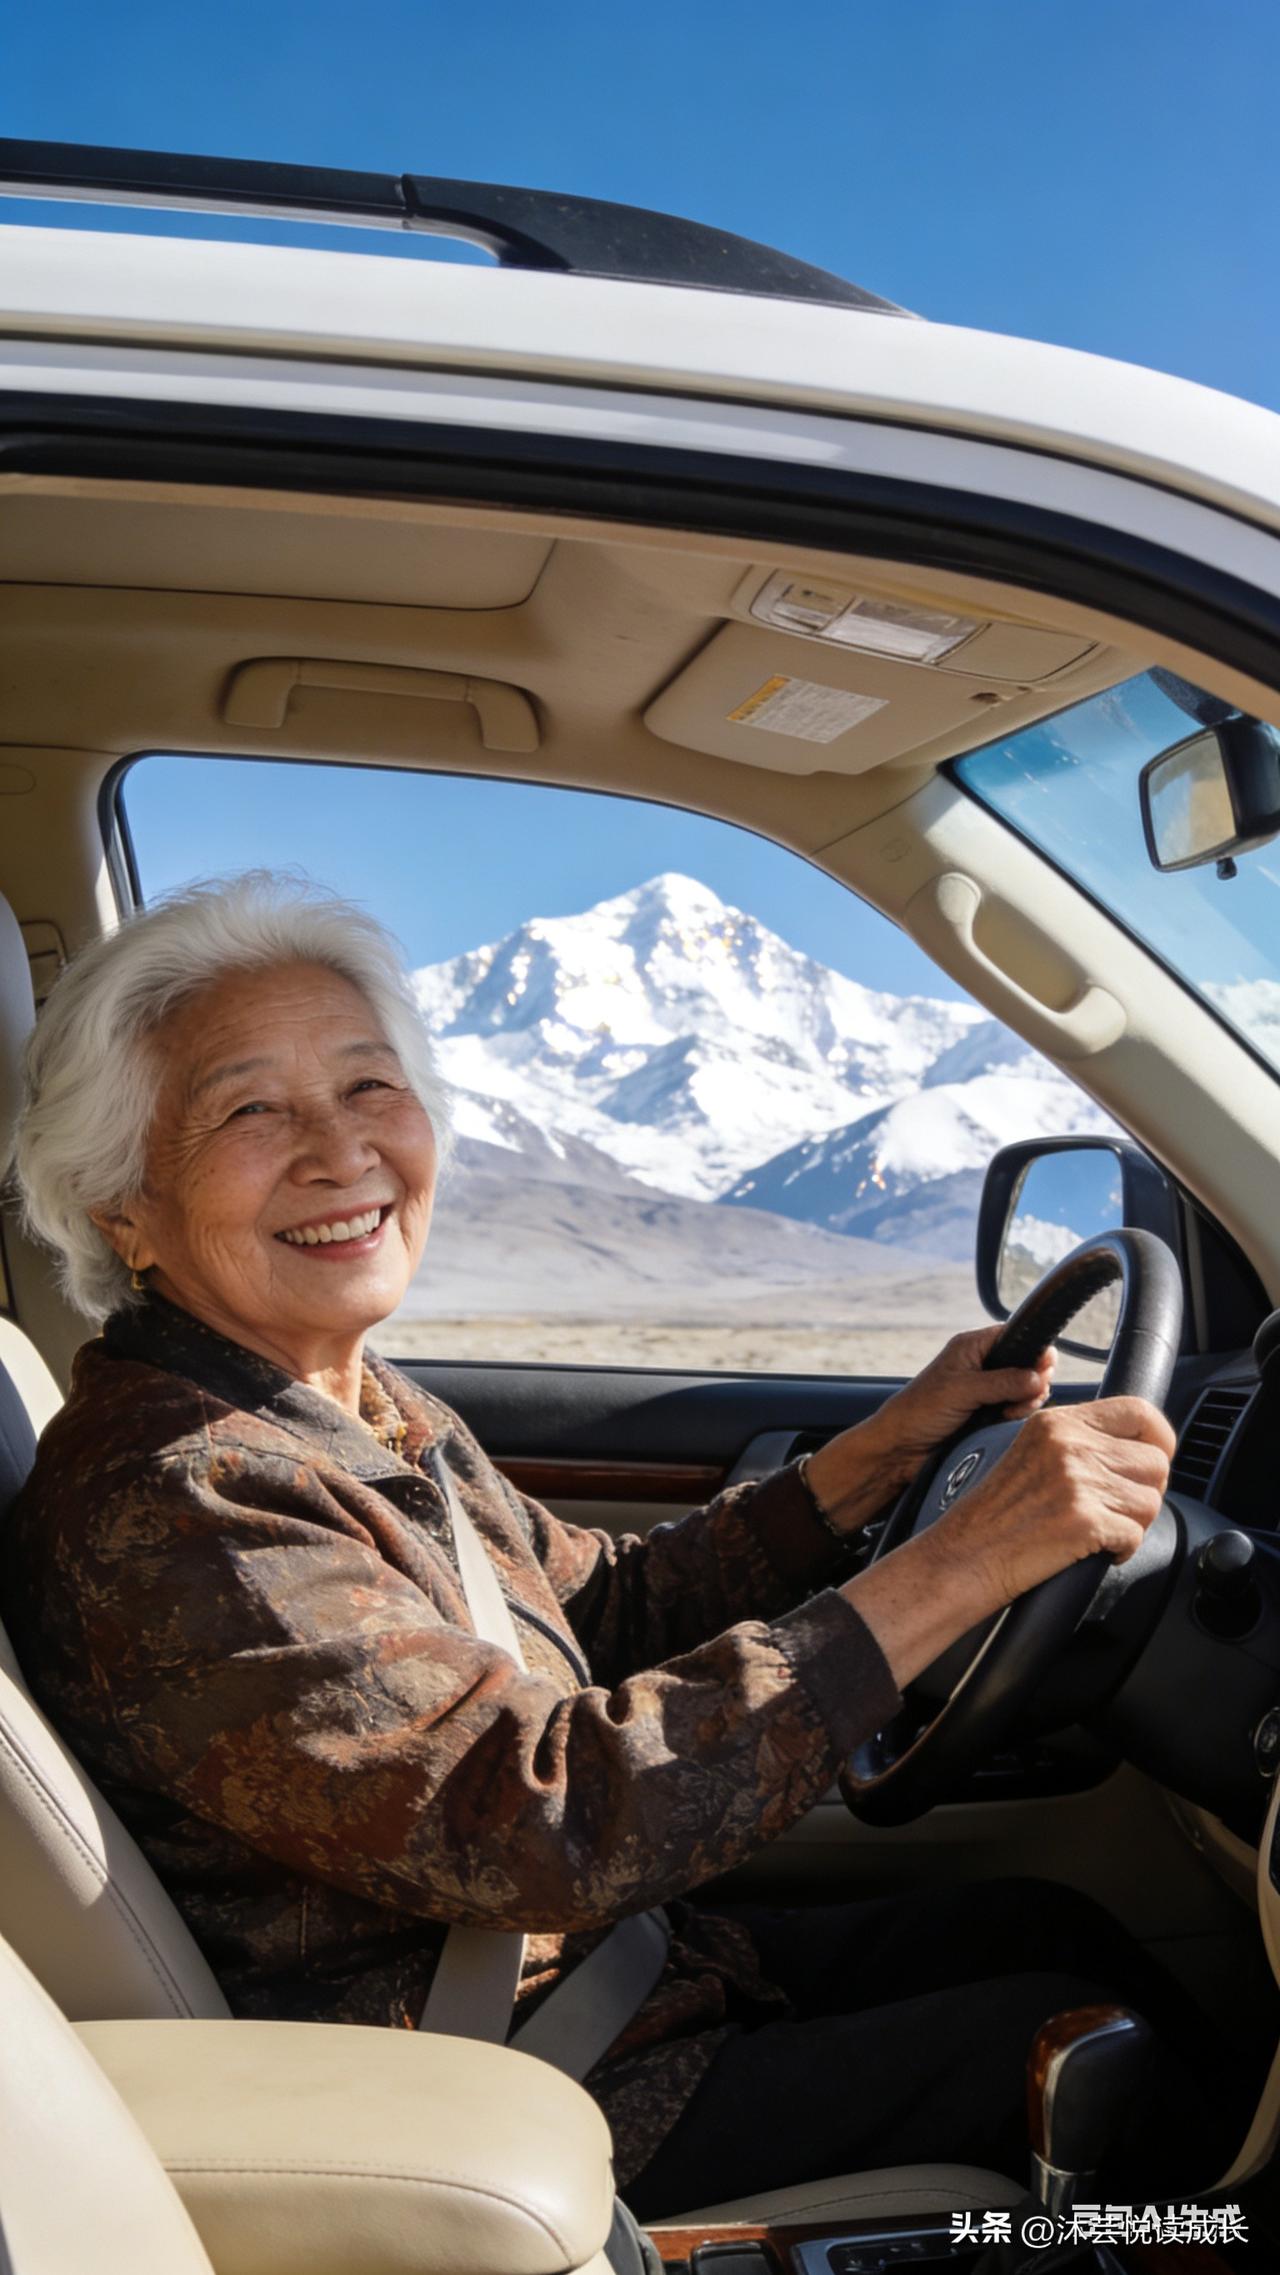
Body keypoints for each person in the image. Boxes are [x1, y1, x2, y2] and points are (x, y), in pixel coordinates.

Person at [0, 873, 1232, 2213]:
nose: (339, 1151)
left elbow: (602, 1607)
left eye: (369, 1087)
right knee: (1082, 2043)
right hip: (511, 2083)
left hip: (607, 1978)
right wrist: (958, 1568)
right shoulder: (184, 1501)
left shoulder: (344, 1405)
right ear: (122, 1204)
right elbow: (550, 1817)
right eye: (251, 1109)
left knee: (1045, 1925)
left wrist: (878, 1454)